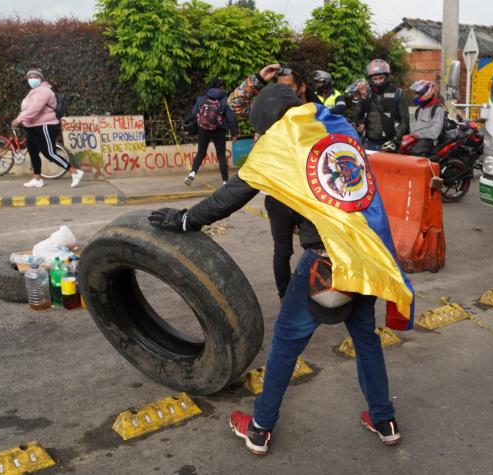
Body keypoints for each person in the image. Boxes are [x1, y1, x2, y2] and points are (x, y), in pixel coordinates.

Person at [148, 83, 414, 455]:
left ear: (268, 123)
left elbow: (233, 193)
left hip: (325, 261)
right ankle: (385, 420)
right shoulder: (336, 126)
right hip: (366, 254)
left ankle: (259, 428)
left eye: (259, 129)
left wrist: (185, 220)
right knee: (367, 340)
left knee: (286, 345)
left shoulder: (281, 140)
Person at [228, 63, 311, 301]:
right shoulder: (269, 108)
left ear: (301, 87)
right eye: (276, 88)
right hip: (277, 193)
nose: (280, 94)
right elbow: (234, 104)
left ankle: (319, 295)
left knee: (315, 248)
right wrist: (258, 79)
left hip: (307, 193)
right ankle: (286, 297)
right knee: (282, 250)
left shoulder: (315, 114)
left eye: (286, 88)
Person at [11, 69, 83, 188]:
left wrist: (19, 119)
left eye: (35, 77)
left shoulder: (44, 91)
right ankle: (37, 178)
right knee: (33, 152)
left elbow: (35, 109)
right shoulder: (34, 91)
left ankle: (74, 172)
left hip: (44, 126)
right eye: (30, 77)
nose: (32, 79)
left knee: (49, 153)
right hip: (32, 127)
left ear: (41, 78)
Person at [185, 78, 239, 187]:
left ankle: (192, 173)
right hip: (219, 131)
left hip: (203, 129)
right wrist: (234, 133)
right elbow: (231, 118)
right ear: (223, 87)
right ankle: (225, 181)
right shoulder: (224, 100)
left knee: (200, 153)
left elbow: (194, 113)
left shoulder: (202, 98)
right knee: (221, 155)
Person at [358, 59, 409, 151]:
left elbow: (404, 120)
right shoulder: (366, 92)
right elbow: (357, 117)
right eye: (375, 79)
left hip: (390, 143)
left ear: (387, 77)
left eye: (381, 78)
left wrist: (395, 140)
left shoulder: (397, 93)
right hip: (370, 143)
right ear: (371, 79)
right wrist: (362, 97)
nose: (378, 82)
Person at [407, 80, 444, 157]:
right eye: (415, 93)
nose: (415, 96)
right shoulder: (420, 108)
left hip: (428, 140)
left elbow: (435, 132)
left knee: (415, 153)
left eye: (418, 93)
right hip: (415, 138)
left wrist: (419, 135)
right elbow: (413, 125)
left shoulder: (437, 109)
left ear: (427, 93)